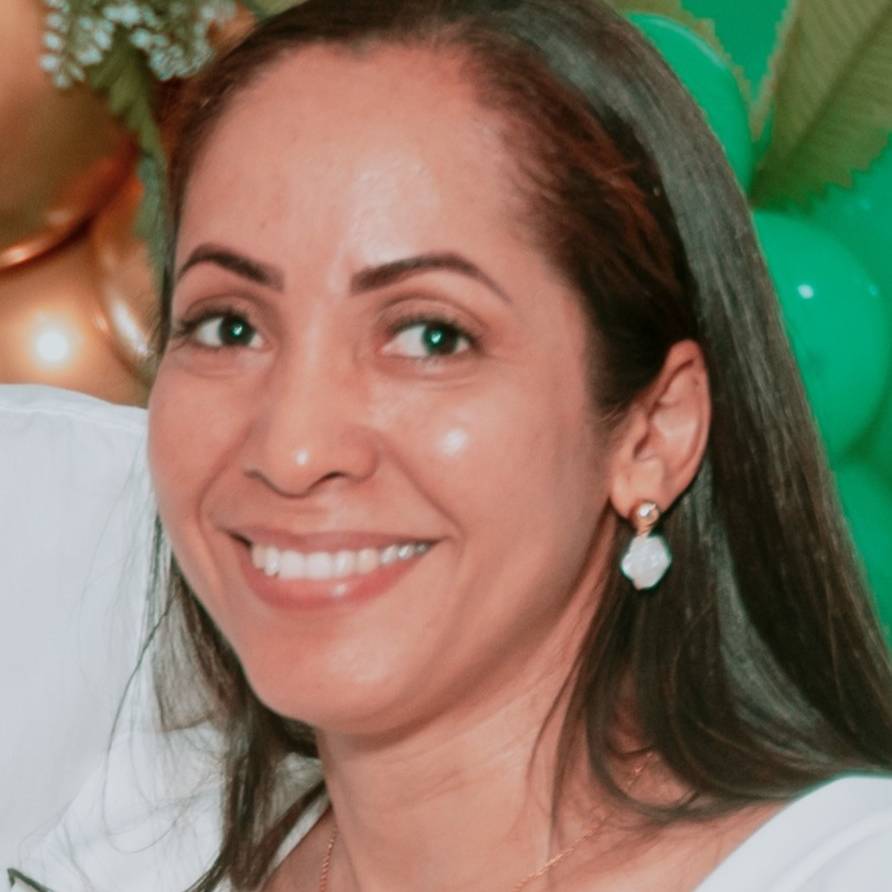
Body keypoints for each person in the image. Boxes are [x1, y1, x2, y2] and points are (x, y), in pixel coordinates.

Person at [10, 1, 892, 890]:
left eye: (431, 336)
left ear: (653, 434)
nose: (292, 449)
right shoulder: (105, 839)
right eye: (229, 325)